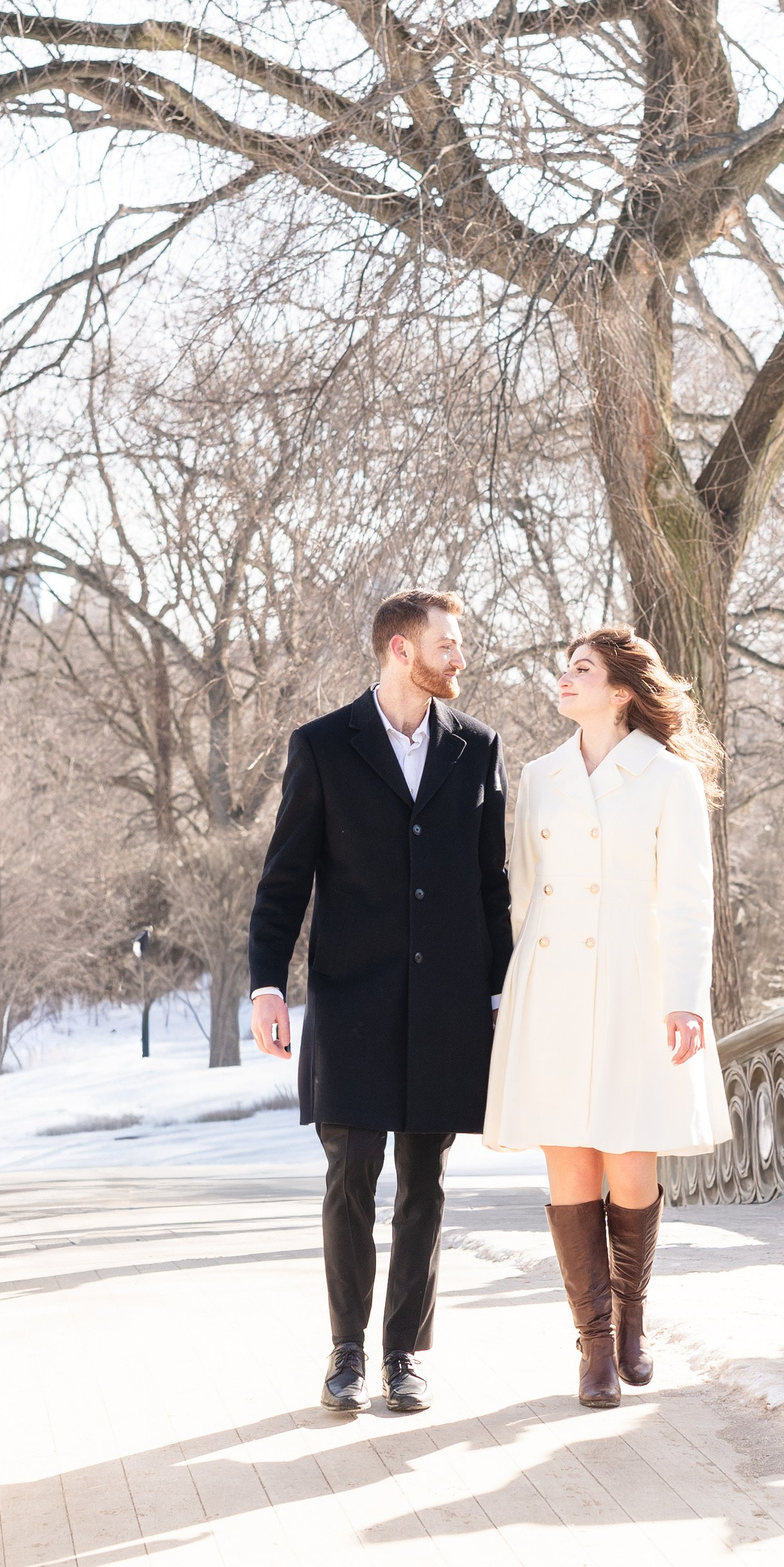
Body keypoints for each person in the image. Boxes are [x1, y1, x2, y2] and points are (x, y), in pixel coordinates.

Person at [247, 590, 512, 1416]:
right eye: (449, 642)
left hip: (448, 1007)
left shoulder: (478, 749)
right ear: (402, 649)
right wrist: (266, 984)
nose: (459, 656)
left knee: (424, 1182)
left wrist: (503, 992)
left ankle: (405, 1354)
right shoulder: (324, 746)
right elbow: (285, 878)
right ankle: (347, 1351)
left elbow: (490, 886)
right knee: (350, 1177)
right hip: (349, 1000)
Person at [484, 625, 731, 1408]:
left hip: (636, 981)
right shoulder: (540, 775)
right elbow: (522, 892)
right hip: (553, 981)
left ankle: (630, 1320)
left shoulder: (666, 777)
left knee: (629, 1163)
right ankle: (592, 1349)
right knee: (569, 1164)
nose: (565, 678)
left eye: (581, 669)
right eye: (565, 667)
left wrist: (686, 998)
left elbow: (691, 900)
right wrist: (510, 990)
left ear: (620, 689)